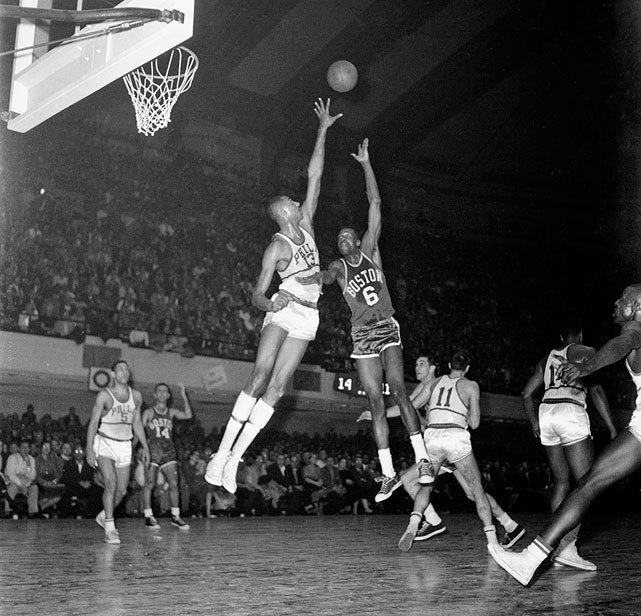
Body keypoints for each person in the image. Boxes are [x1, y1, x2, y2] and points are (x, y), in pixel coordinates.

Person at [205, 98, 342, 493]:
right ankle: (220, 452)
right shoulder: (276, 246)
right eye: (293, 204)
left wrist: (322, 130)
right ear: (284, 213)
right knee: (261, 376)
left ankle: (234, 459)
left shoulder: (310, 226)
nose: (300, 203)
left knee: (280, 389)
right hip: (282, 311)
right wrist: (269, 303)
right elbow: (255, 293)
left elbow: (315, 176)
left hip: (309, 314)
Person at [296, 138, 432, 502]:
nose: (342, 239)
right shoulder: (339, 266)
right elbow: (327, 276)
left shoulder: (371, 251)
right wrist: (315, 277)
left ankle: (422, 459)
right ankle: (387, 474)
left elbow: (375, 202)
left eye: (347, 236)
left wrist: (367, 164)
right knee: (373, 402)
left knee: (399, 390)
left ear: (358, 240)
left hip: (386, 326)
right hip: (361, 335)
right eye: (338, 238)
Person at [489, 283, 641, 586]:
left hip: (553, 415)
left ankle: (537, 556)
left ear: (636, 307)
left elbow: (622, 344)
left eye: (623, 299)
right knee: (587, 482)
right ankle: (537, 557)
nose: (616, 301)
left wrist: (591, 366)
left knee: (584, 482)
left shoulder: (636, 331)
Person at [366, 354, 524, 546]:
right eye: (416, 364)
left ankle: (432, 522)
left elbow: (409, 408)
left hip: (439, 442)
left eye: (421, 364)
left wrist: (384, 415)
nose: (417, 368)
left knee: (409, 480)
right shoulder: (431, 385)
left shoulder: (434, 384)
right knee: (472, 493)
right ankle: (510, 525)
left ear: (435, 368)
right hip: (452, 444)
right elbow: (408, 407)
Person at [519, 324, 616, 570]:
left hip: (547, 412)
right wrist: (612, 428)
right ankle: (568, 548)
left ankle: (557, 547)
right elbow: (596, 390)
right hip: (570, 409)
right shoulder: (585, 350)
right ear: (581, 334)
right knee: (586, 483)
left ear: (561, 335)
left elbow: (526, 394)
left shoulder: (547, 357)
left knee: (561, 482)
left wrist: (534, 423)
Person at [397, 351, 499, 552]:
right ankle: (493, 542)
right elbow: (475, 424)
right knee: (477, 490)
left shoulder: (435, 383)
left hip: (433, 438)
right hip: (455, 437)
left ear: (449, 366)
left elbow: (411, 406)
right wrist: (466, 413)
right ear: (467, 368)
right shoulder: (470, 385)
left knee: (426, 485)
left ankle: (412, 526)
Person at [86, 360, 150, 544]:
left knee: (122, 491)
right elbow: (93, 423)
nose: (125, 372)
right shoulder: (104, 395)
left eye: (127, 369)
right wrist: (90, 448)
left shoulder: (136, 396)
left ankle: (104, 515)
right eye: (121, 369)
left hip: (125, 445)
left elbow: (137, 423)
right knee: (111, 483)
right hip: (105, 442)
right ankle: (110, 527)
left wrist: (145, 447)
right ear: (113, 373)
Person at [141, 382, 192, 530]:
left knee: (174, 484)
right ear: (155, 395)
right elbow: (140, 430)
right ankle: (148, 516)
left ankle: (176, 516)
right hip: (153, 451)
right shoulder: (149, 412)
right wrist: (141, 448)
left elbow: (188, 415)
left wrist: (184, 396)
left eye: (165, 392)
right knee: (149, 484)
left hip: (169, 451)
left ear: (168, 396)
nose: (163, 394)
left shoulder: (172, 412)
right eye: (160, 391)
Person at [4, 439, 38, 518]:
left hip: (27, 484)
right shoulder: (12, 458)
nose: (25, 450)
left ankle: (32, 512)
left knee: (34, 488)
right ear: (19, 448)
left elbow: (32, 476)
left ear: (29, 449)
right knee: (12, 488)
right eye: (23, 447)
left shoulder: (32, 459)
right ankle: (7, 511)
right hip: (15, 482)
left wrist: (29, 465)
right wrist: (21, 485)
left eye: (27, 448)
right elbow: (12, 475)